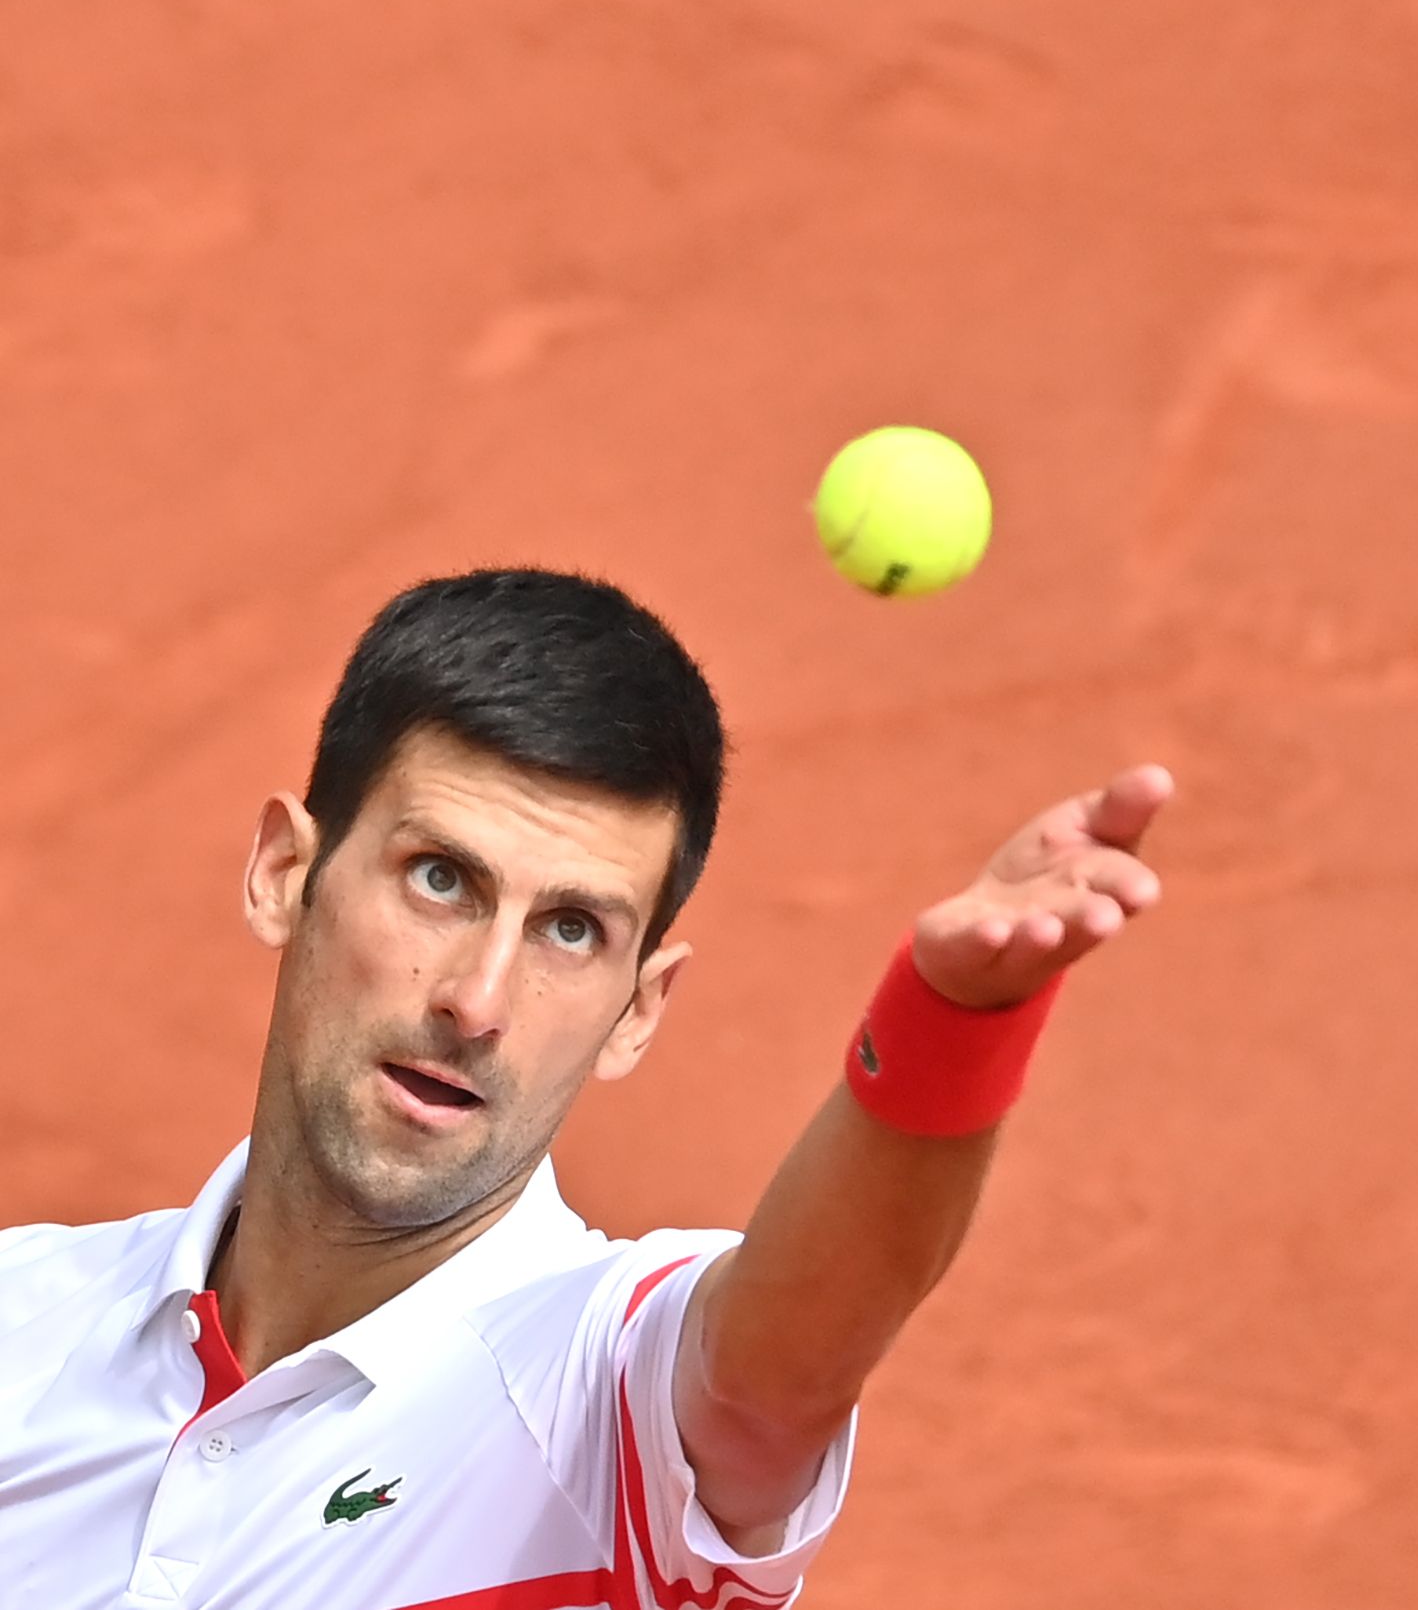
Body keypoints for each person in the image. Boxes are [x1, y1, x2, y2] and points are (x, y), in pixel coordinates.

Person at [0, 567, 1170, 1608]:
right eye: (440, 879)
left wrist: (952, 1023)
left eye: (570, 930)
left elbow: (768, 1387)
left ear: (638, 1009)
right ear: (283, 873)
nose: (478, 1000)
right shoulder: (22, 1321)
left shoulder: (605, 1401)